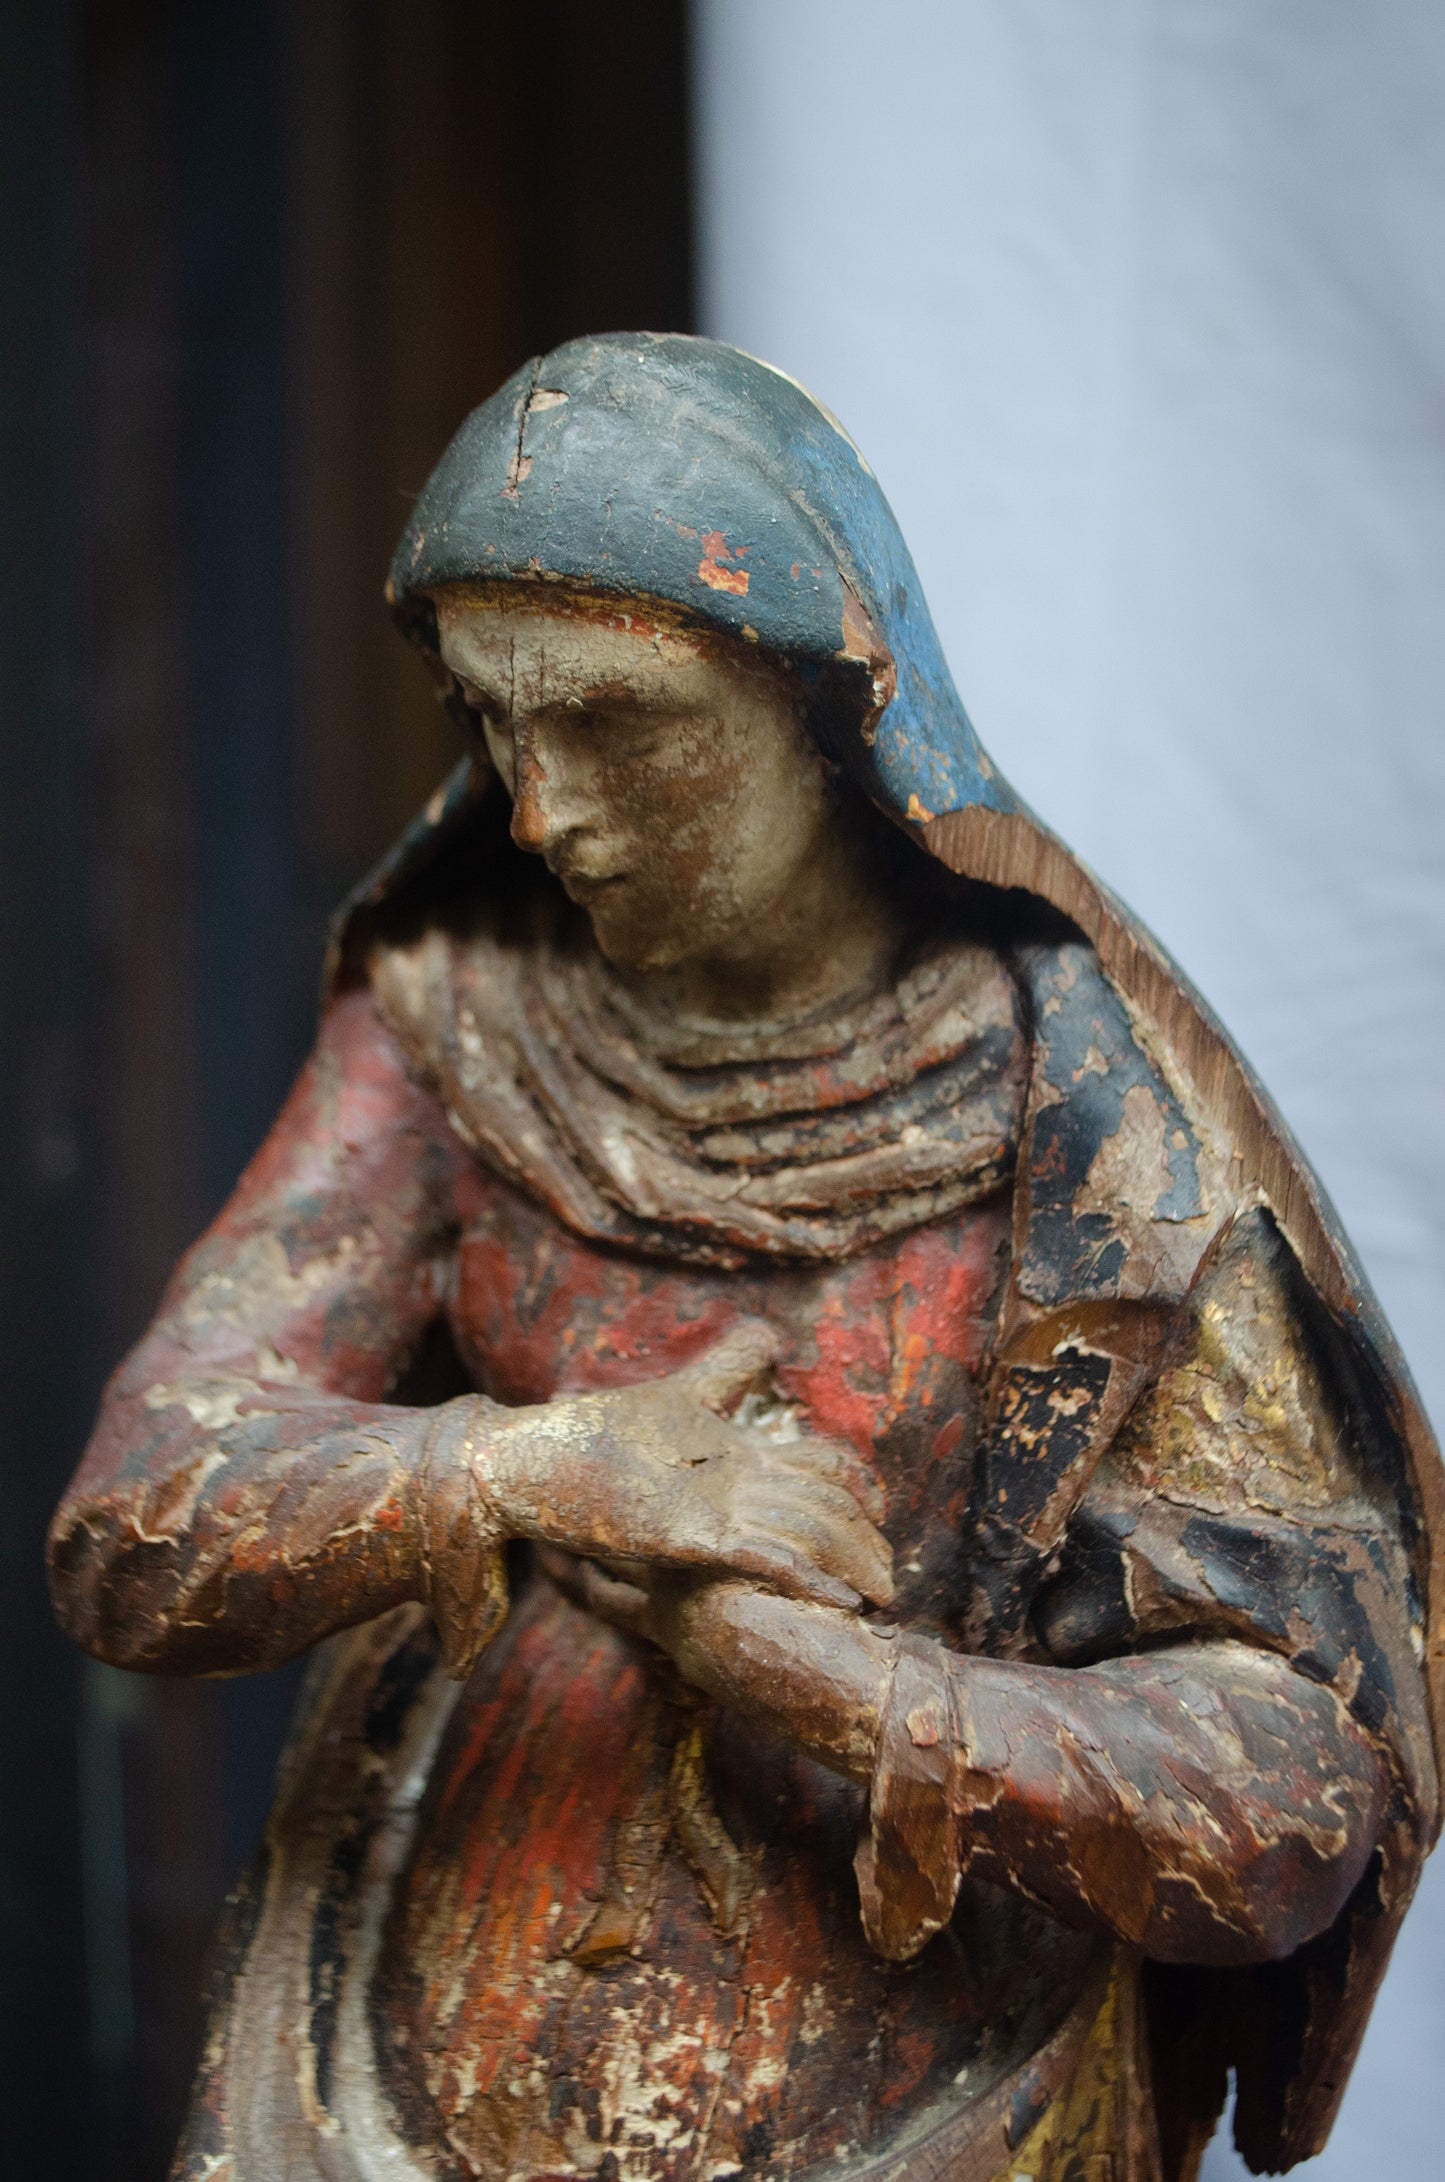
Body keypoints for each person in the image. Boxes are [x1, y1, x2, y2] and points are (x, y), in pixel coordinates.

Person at [50, 335, 1441, 2182]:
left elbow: (1282, 1795)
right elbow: (133, 1524)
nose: (542, 817)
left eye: (618, 727)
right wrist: (534, 1465)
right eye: (491, 725)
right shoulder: (459, 1025)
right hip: (380, 2066)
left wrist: (805, 1673)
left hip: (942, 2104)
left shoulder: (1092, 1111)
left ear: (828, 708)